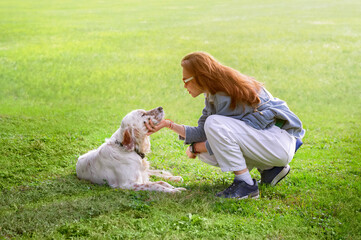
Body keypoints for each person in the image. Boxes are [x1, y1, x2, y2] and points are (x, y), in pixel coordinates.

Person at [145, 51, 305, 199]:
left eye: (186, 81)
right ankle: (270, 169)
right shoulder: (213, 93)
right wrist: (168, 125)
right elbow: (203, 132)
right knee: (209, 139)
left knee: (213, 127)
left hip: (277, 143)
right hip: (271, 142)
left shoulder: (226, 94)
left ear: (200, 77)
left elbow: (219, 138)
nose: (184, 86)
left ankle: (245, 185)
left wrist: (195, 148)